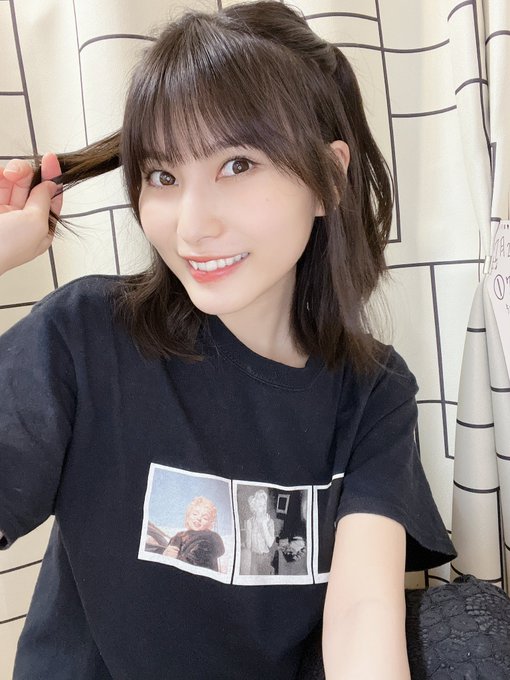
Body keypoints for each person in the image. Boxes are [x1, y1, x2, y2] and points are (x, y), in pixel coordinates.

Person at [0, 2, 456, 678]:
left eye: (238, 164)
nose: (191, 227)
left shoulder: (373, 394)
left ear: (329, 179)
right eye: (163, 176)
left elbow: (362, 618)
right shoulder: (87, 336)